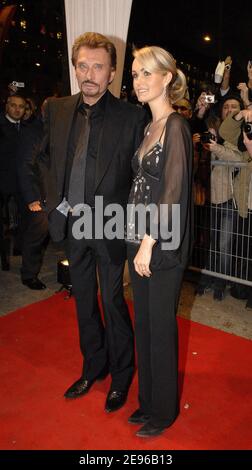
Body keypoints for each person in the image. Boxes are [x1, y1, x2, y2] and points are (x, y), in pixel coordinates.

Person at [37, 32, 147, 412]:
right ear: (75, 67)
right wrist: (51, 203)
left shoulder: (132, 116)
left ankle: (121, 375)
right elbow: (43, 158)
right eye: (82, 65)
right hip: (73, 224)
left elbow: (140, 177)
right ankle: (93, 367)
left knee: (112, 301)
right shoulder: (57, 108)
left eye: (98, 66)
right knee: (84, 302)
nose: (89, 74)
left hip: (111, 226)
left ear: (112, 72)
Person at [126, 46, 193, 437]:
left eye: (147, 73)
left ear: (168, 77)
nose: (139, 81)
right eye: (135, 74)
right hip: (139, 238)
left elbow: (172, 192)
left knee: (160, 327)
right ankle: (147, 402)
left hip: (161, 244)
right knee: (145, 325)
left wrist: (149, 242)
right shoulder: (147, 126)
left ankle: (164, 411)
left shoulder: (176, 126)